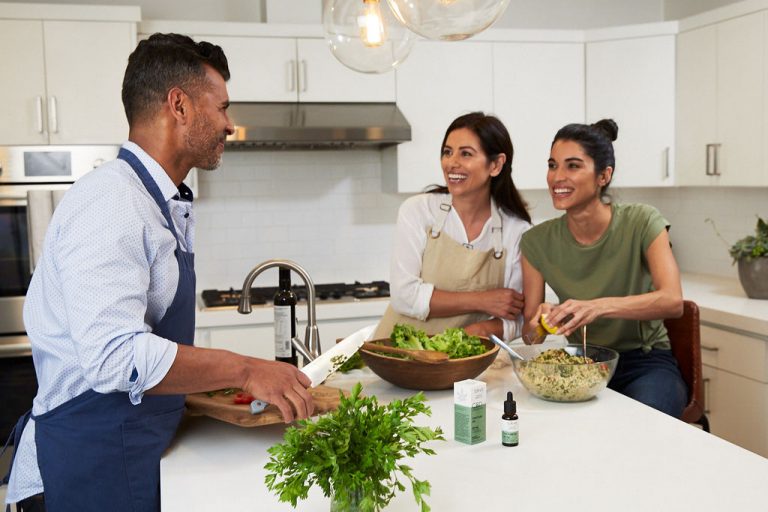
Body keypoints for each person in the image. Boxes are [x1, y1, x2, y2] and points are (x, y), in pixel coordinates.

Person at [3, 33, 313, 512]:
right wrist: (246, 369)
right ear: (180, 106)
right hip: (85, 467)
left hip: (128, 452)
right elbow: (113, 357)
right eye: (223, 107)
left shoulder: (155, 201)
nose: (230, 125)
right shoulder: (114, 202)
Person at [519, 119, 687, 417]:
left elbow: (672, 301)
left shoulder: (642, 222)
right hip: (579, 365)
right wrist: (542, 322)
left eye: (573, 166)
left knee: (642, 426)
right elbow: (531, 338)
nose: (557, 177)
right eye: (552, 165)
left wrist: (598, 307)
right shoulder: (535, 242)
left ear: (603, 175)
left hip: (644, 364)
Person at [373, 112, 532, 341]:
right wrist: (482, 300)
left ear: (496, 164)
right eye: (447, 152)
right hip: (399, 358)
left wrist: (479, 331)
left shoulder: (516, 231)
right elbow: (404, 296)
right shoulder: (418, 211)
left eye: (466, 153)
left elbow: (515, 317)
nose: (451, 163)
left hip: (467, 366)